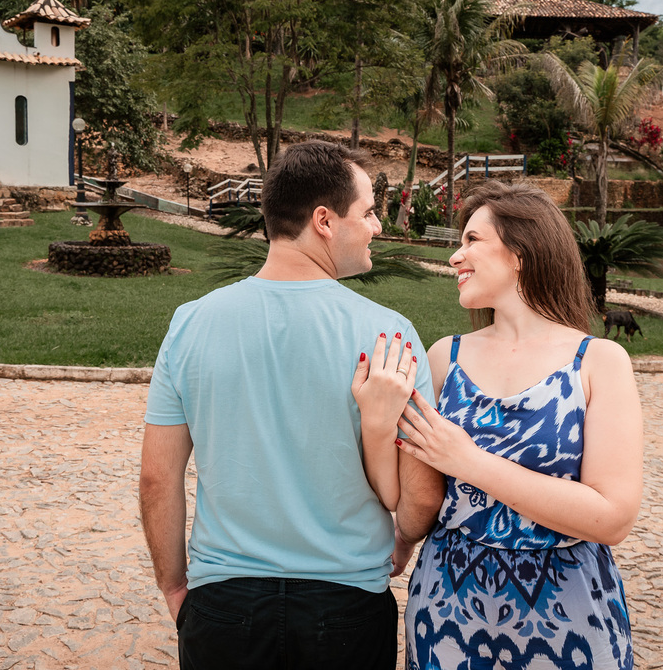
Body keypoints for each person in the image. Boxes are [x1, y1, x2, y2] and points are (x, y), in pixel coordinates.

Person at [139, 139, 445, 670]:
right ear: (324, 221)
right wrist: (402, 540)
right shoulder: (390, 336)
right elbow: (420, 497)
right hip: (347, 607)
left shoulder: (190, 324)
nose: (377, 226)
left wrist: (173, 587)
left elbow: (157, 479)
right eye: (369, 212)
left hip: (223, 605)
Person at [356, 180, 642, 670]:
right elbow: (417, 491)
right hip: (447, 607)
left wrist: (469, 462)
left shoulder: (599, 361)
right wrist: (400, 535)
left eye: (472, 240)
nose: (455, 257)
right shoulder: (444, 358)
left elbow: (612, 517)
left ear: (520, 254)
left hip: (569, 613)